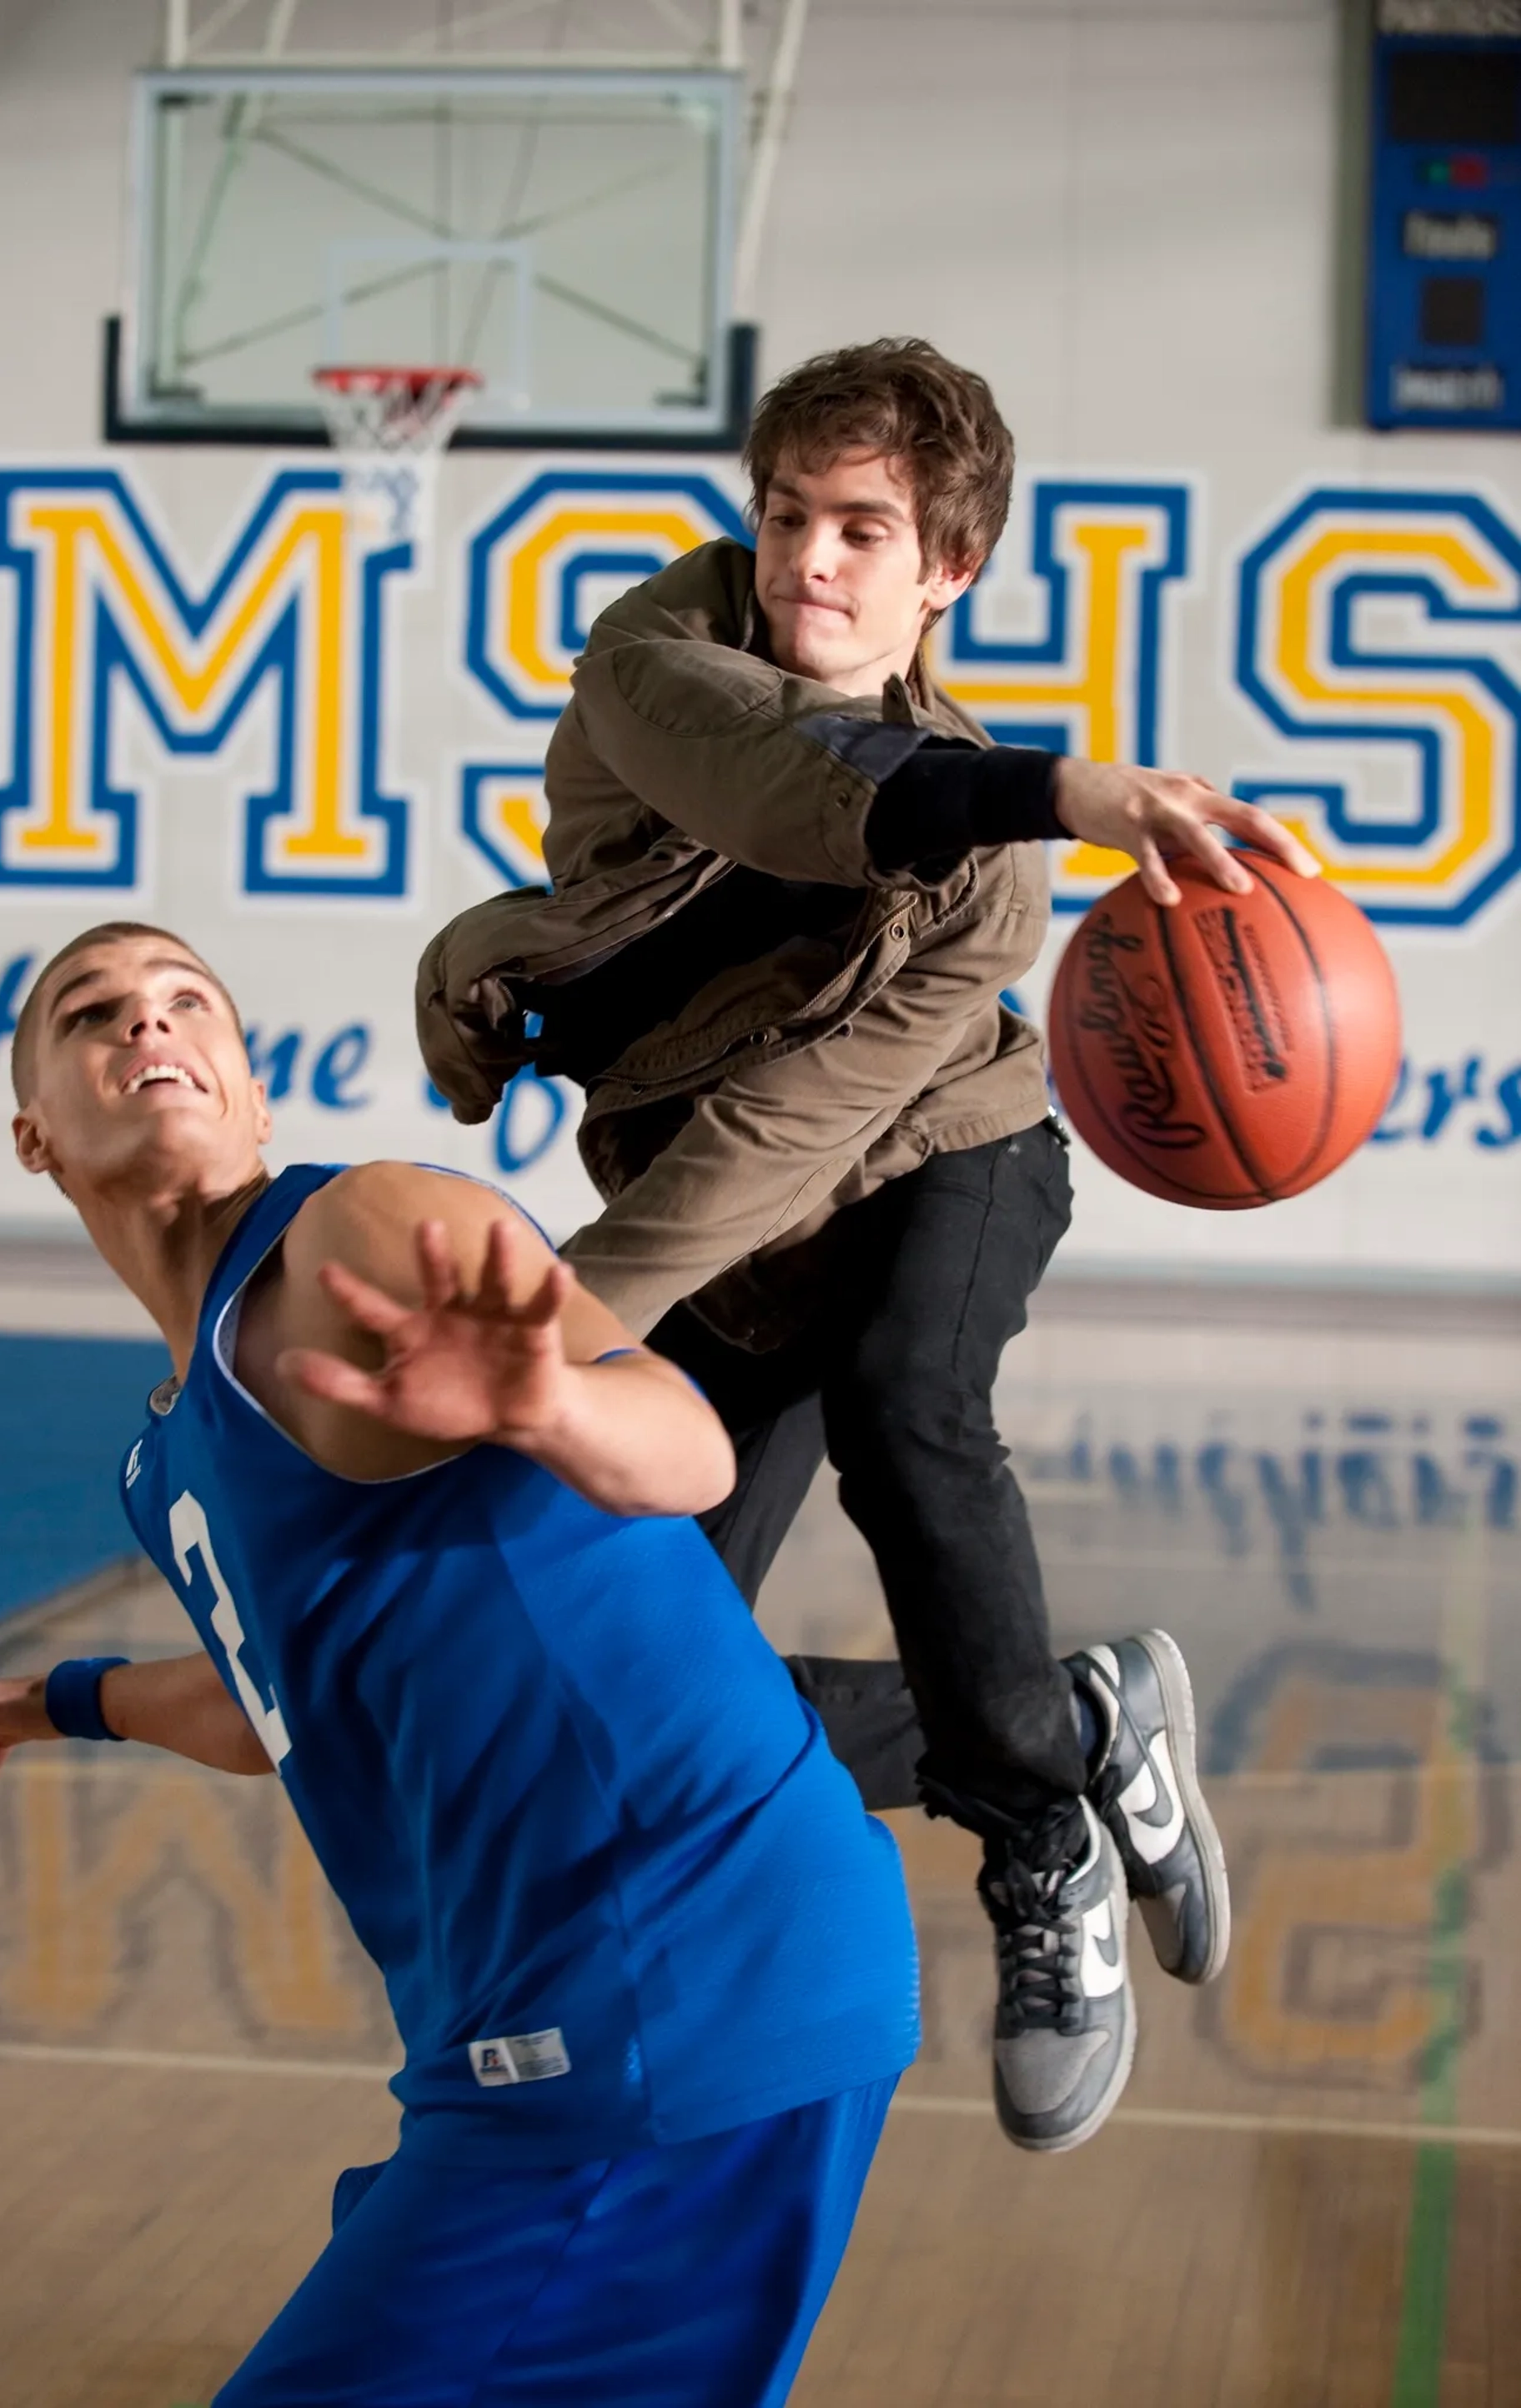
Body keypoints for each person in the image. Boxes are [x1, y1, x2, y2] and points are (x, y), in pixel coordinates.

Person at [418, 338, 1318, 2149]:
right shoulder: (655, 660)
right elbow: (789, 789)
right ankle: (1067, 1716)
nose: (809, 562)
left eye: (861, 528)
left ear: (948, 571)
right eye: (785, 516)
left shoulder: (993, 864)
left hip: (943, 1164)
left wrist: (564, 1324)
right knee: (641, 1674)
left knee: (913, 1408)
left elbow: (794, 1128)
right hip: (732, 1230)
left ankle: (1044, 1851)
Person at [0, 923, 920, 2408]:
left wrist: (552, 1410)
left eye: (190, 1000)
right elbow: (273, 1707)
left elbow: (691, 1450)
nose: (151, 1025)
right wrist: (58, 1700)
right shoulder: (168, 1445)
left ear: (256, 1098)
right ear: (34, 1134)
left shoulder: (358, 1232)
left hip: (673, 1984)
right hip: (563, 2024)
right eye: (95, 1013)